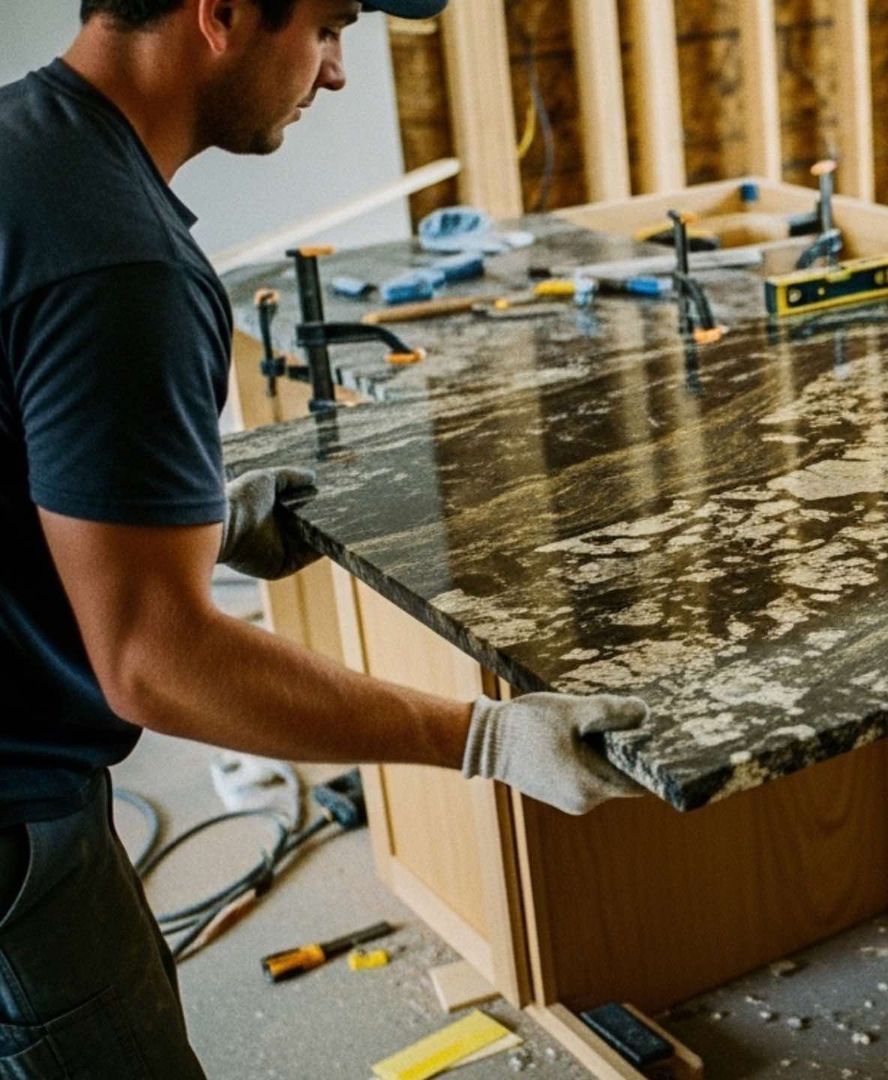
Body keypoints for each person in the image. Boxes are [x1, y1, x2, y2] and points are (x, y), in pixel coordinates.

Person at [0, 2, 654, 1073]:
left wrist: (184, 524)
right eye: (330, 26)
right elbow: (157, 664)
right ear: (221, 14)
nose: (339, 72)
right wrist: (484, 739)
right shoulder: (120, 265)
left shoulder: (22, 149)